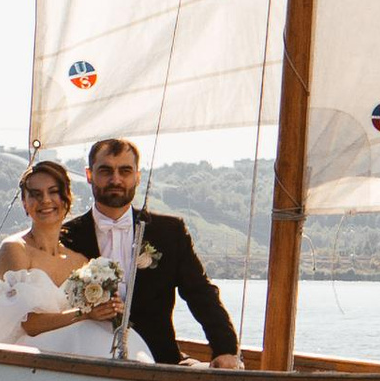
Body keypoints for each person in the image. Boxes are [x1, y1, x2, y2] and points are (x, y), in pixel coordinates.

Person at [60, 137, 246, 368]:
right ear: (89, 175)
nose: (115, 179)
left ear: (138, 176)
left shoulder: (169, 232)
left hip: (159, 359)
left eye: (125, 171)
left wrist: (225, 348)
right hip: (82, 361)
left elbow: (200, 293)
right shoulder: (66, 236)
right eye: (105, 170)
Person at [0, 158, 120, 363]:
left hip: (71, 355)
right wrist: (86, 314)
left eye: (53, 191)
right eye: (35, 195)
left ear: (66, 199)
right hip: (20, 357)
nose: (45, 200)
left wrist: (110, 310)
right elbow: (29, 324)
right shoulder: (15, 249)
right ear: (24, 204)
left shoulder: (79, 262)